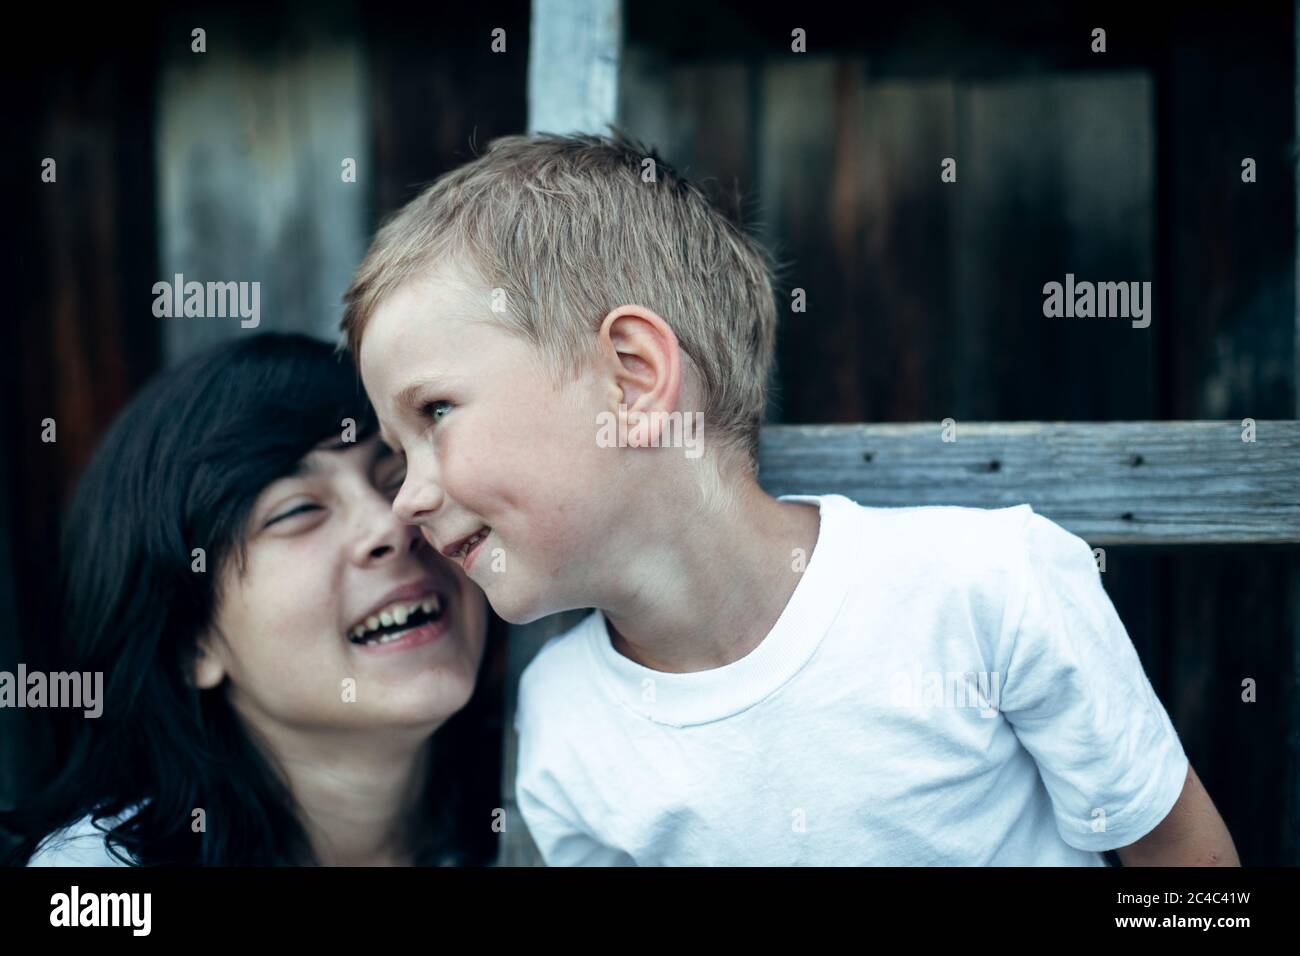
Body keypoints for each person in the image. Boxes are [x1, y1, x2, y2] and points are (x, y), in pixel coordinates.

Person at [340, 132, 1238, 866]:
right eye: (395, 451)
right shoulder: (565, 719)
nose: (407, 500)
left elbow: (1178, 860)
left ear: (633, 378)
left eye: (436, 413)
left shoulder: (987, 588)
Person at [3, 333, 495, 866]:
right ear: (192, 643)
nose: (393, 522)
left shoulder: (560, 797)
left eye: (397, 478)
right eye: (297, 510)